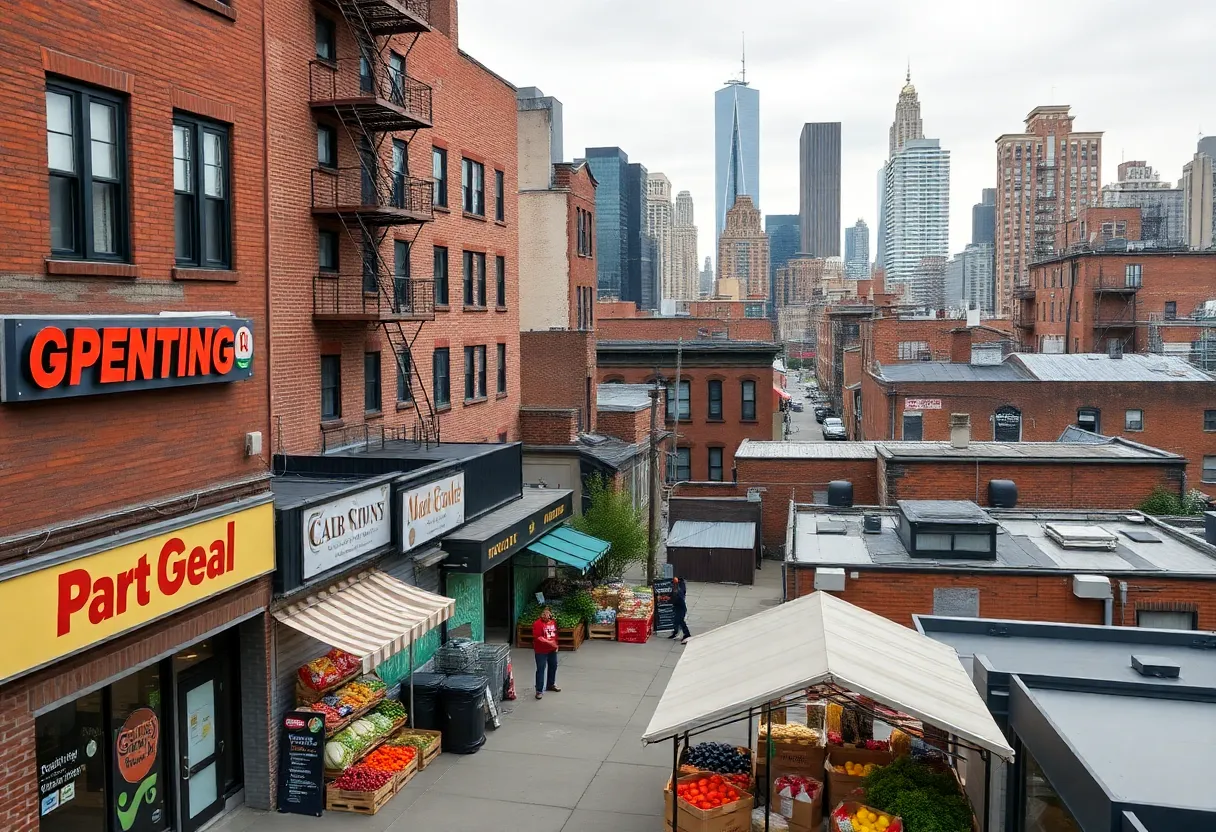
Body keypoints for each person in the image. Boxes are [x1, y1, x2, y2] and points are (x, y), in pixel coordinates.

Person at [532, 606, 561, 699]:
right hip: (541, 650)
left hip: (552, 650)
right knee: (541, 669)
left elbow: (555, 635)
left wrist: (555, 645)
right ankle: (539, 690)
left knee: (553, 666)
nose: (545, 615)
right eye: (543, 613)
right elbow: (538, 637)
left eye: (547, 613)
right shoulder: (537, 624)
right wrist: (550, 643)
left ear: (550, 614)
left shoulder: (553, 623)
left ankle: (551, 684)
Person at [668, 577, 691, 644]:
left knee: (680, 621)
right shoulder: (676, 589)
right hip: (677, 607)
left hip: (681, 608)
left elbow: (675, 599)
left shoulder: (678, 591)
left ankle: (687, 634)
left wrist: (669, 600)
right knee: (675, 620)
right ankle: (675, 632)